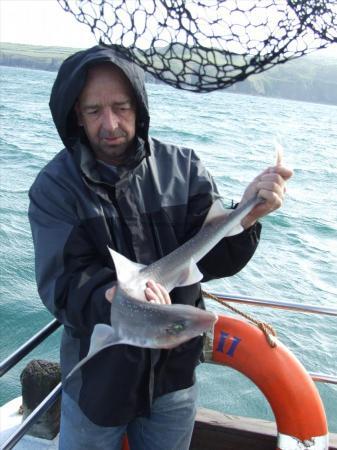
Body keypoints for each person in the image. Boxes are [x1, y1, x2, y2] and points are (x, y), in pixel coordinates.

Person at [28, 45, 292, 450]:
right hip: (98, 382)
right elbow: (62, 287)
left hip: (173, 381)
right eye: (94, 110)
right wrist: (115, 297)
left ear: (138, 104)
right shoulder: (55, 188)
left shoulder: (184, 168)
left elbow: (218, 258)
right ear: (76, 115)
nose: (111, 123)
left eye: (121, 106)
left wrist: (249, 214)